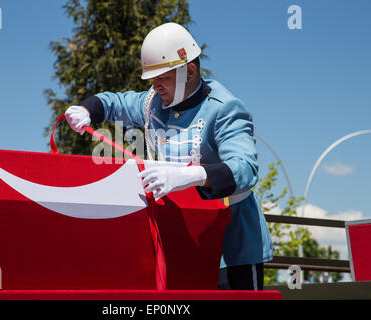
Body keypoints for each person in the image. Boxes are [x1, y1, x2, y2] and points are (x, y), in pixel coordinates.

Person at [65, 22, 273, 290]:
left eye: (163, 76)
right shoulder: (153, 103)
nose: (156, 85)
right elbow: (114, 102)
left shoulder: (226, 109)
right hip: (182, 241)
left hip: (232, 249)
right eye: (153, 78)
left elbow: (245, 169)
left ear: (190, 70)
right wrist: (86, 109)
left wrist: (193, 175)